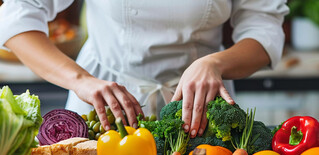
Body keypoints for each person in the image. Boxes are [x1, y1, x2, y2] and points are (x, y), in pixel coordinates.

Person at [0, 1, 288, 138]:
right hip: (102, 101)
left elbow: (264, 30)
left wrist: (214, 63)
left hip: (201, 108)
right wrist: (81, 80)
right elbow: (18, 15)